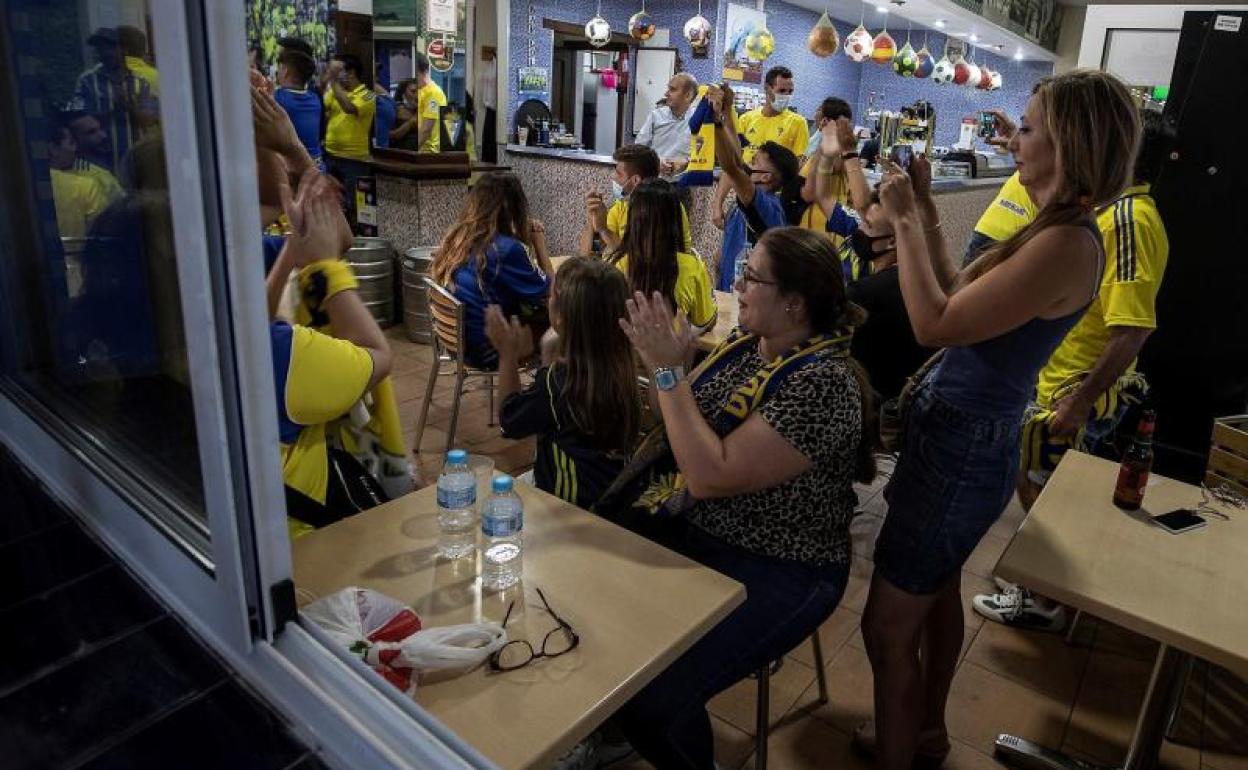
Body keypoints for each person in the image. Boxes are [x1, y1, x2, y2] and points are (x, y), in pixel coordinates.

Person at [859, 70, 1142, 770]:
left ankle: (902, 746)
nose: (1014, 140)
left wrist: (896, 220)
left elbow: (934, 323)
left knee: (886, 627)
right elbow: (960, 289)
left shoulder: (1068, 243)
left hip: (963, 444)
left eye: (1029, 128)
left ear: (1070, 143)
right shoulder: (1049, 227)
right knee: (936, 593)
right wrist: (924, 208)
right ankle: (923, 731)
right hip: (962, 434)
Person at [612, 226, 876, 769]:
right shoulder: (750, 347)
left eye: (751, 277)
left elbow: (710, 472)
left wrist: (666, 373)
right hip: (703, 533)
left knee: (653, 695)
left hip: (783, 564)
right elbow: (691, 433)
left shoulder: (823, 383)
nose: (738, 284)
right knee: (600, 618)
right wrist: (673, 368)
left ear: (794, 303)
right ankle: (615, 727)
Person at [973, 109, 1173, 631]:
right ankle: (1043, 584)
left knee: (1048, 492)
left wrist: (1081, 400)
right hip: (1057, 380)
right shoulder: (1109, 212)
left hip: (1073, 389)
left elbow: (1134, 328)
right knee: (1035, 481)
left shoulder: (1129, 221)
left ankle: (1046, 600)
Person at [486, 258, 641, 510]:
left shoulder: (559, 384)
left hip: (568, 509)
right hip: (612, 498)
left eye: (550, 297)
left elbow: (508, 418)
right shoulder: (623, 370)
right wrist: (549, 359)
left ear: (560, 319)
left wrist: (507, 355)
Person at [431, 172, 553, 370]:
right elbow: (552, 290)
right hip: (489, 351)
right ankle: (544, 395)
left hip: (456, 344)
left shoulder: (459, 238)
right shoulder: (507, 249)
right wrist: (539, 242)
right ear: (514, 208)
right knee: (562, 323)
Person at [706, 83, 798, 292]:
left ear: (766, 177)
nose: (749, 165)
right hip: (729, 285)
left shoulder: (767, 207)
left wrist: (716, 121)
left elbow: (731, 166)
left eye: (755, 163)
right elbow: (737, 160)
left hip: (750, 295)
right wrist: (728, 109)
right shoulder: (748, 197)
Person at [609, 179, 716, 332]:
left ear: (632, 221)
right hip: (671, 355)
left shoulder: (616, 265)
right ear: (676, 219)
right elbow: (704, 321)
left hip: (626, 355)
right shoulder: (693, 267)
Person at [712, 66, 807, 230]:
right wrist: (717, 204)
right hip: (741, 196)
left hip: (769, 202)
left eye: (790, 91)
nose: (786, 96)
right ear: (767, 89)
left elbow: (795, 171)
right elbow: (735, 164)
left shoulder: (798, 123)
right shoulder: (748, 119)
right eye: (781, 90)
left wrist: (716, 120)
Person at [68, 27, 158, 170]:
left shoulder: (140, 82)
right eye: (99, 48)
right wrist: (110, 110)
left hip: (135, 161)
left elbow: (147, 121)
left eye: (109, 47)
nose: (104, 53)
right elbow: (77, 121)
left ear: (124, 50)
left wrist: (128, 105)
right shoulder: (87, 81)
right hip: (100, 161)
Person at [579, 144, 692, 256]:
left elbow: (641, 259)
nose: (614, 177)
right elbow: (602, 252)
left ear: (635, 180)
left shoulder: (668, 207)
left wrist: (603, 230)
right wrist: (593, 219)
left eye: (618, 173)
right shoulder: (620, 207)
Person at [961, 109, 1038, 266]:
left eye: (1027, 129)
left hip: (1012, 241)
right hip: (989, 229)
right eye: (1024, 128)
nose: (1012, 144)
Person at [802, 109, 873, 245]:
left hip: (822, 231)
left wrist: (847, 154)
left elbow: (811, 194)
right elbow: (822, 196)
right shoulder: (856, 223)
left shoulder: (863, 225)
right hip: (824, 226)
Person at [48, 119, 111, 239]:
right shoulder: (84, 185)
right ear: (53, 149)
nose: (75, 149)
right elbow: (107, 230)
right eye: (71, 143)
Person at [636, 73, 699, 177]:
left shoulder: (699, 120)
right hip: (653, 182)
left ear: (688, 96)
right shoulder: (656, 116)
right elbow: (638, 148)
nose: (666, 93)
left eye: (672, 90)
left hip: (682, 184)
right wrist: (656, 161)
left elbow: (705, 155)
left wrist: (687, 161)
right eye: (668, 89)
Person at [273, 47, 322, 164]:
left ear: (285, 72)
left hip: (294, 170)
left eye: (279, 68)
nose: (277, 72)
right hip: (317, 166)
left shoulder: (278, 98)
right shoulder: (315, 99)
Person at [413, 52, 448, 153]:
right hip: (421, 150)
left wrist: (412, 152)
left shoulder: (434, 93)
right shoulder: (420, 90)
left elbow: (426, 130)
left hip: (429, 153)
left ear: (423, 71)